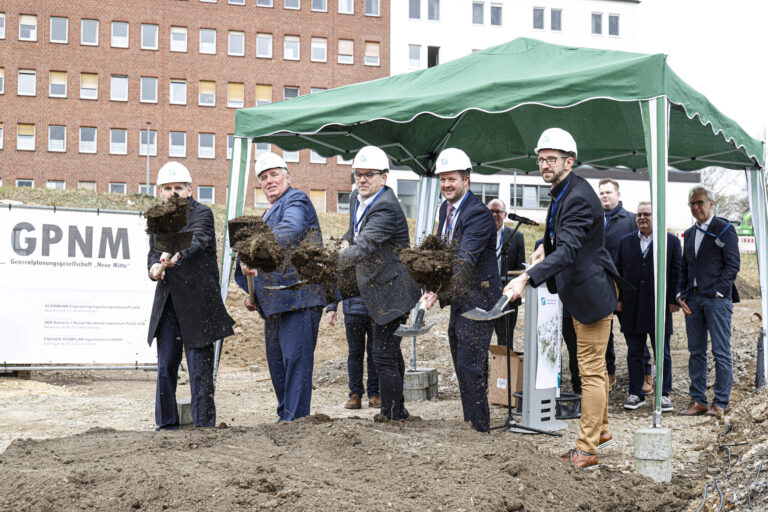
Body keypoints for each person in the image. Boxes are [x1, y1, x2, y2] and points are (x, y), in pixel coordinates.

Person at [505, 128, 621, 469]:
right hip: (581, 289)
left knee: (590, 372)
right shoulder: (563, 191)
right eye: (541, 159)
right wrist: (543, 247)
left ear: (569, 161)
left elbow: (570, 250)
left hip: (592, 294)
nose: (544, 164)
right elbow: (560, 237)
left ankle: (587, 450)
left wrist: (526, 277)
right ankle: (600, 431)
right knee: (593, 368)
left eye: (551, 159)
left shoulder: (579, 197)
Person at [234, 152, 326, 422]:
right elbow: (258, 259)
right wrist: (253, 294)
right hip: (276, 303)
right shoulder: (267, 213)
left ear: (288, 176)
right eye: (263, 178)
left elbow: (290, 230)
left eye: (274, 174)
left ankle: (295, 422)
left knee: (296, 364)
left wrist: (253, 254)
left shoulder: (296, 200)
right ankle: (286, 417)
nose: (269, 181)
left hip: (301, 297)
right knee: (278, 365)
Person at [147, 161, 235, 430]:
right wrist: (152, 269)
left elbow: (197, 242)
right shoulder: (158, 218)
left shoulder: (202, 214)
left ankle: (204, 427)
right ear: (160, 191)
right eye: (168, 188)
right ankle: (166, 425)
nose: (173, 193)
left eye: (178, 188)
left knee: (200, 371)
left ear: (189, 189)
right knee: (165, 369)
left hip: (198, 303)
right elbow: (153, 253)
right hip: (169, 303)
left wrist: (176, 255)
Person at [421, 148, 502, 433]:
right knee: (461, 361)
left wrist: (438, 294)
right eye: (443, 179)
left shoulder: (478, 215)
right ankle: (472, 423)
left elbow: (464, 261)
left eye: (452, 179)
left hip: (480, 300)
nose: (446, 185)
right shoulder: (446, 209)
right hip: (460, 297)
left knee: (471, 365)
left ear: (466, 180)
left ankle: (479, 428)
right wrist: (430, 284)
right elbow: (444, 255)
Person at [338, 146, 420, 421]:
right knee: (389, 351)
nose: (362, 180)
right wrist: (345, 240)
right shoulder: (355, 198)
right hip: (376, 287)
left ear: (383, 178)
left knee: (383, 354)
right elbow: (354, 233)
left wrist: (334, 260)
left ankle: (391, 412)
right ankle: (399, 407)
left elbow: (364, 247)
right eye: (357, 174)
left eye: (369, 175)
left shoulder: (386, 206)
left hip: (393, 291)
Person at [677, 186, 740, 416]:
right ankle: (698, 400)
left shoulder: (723, 229)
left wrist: (720, 292)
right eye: (692, 204)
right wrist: (680, 293)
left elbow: (733, 264)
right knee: (696, 351)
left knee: (721, 351)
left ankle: (720, 402)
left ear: (711, 203)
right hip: (693, 300)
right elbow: (685, 267)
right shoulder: (690, 233)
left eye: (700, 203)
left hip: (716, 301)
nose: (696, 208)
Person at [615, 201, 681, 411]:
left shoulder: (670, 242)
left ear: (657, 217)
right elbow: (618, 273)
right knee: (634, 351)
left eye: (647, 214)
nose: (642, 218)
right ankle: (636, 393)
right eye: (639, 215)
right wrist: (619, 300)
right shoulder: (625, 242)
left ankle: (663, 394)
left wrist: (672, 300)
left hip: (658, 306)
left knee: (662, 351)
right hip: (632, 306)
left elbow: (676, 272)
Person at [598, 178, 645, 390]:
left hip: (625, 287)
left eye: (608, 192)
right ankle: (609, 371)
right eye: (601, 193)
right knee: (603, 333)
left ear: (618, 195)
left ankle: (645, 374)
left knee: (633, 332)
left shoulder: (631, 220)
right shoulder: (594, 220)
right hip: (599, 285)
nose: (604, 196)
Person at [326, 297, 381, 409]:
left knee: (375, 353)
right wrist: (331, 307)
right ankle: (355, 394)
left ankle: (374, 394)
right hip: (353, 312)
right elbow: (337, 281)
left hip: (377, 311)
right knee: (355, 354)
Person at [488, 199, 525, 350]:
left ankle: (504, 373)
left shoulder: (516, 236)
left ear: (505, 214)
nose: (495, 215)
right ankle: (483, 374)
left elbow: (519, 269)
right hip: (485, 297)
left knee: (505, 340)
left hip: (506, 297)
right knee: (481, 340)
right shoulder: (478, 235)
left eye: (498, 212)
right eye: (491, 211)